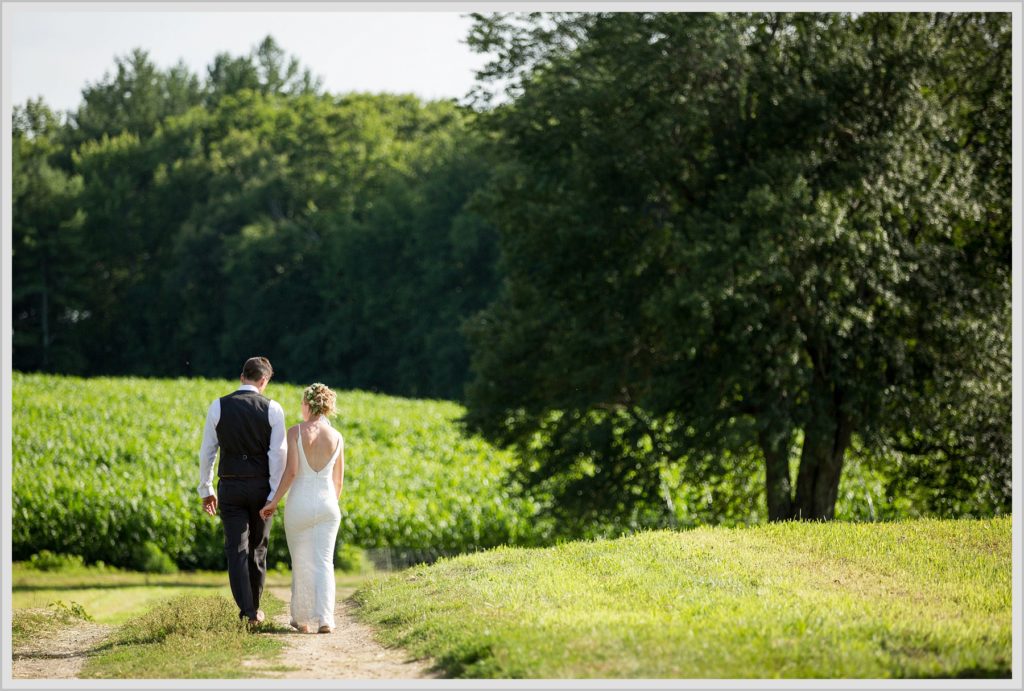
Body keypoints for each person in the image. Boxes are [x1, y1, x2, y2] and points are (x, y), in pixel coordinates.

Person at [198, 356, 287, 627]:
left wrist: (206, 488)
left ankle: (247, 611)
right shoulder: (273, 408)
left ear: (241, 376)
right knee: (258, 548)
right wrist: (274, 493)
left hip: (231, 485)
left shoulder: (218, 406)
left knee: (235, 549)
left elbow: (207, 451)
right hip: (261, 487)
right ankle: (256, 609)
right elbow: (278, 455)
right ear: (264, 381)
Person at [260, 382, 345, 634]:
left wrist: (273, 502)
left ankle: (303, 619)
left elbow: (292, 472)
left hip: (300, 503)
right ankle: (326, 618)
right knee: (324, 562)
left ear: (307, 405)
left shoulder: (295, 432)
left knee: (301, 561)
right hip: (328, 502)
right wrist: (329, 503)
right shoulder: (338, 437)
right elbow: (338, 480)